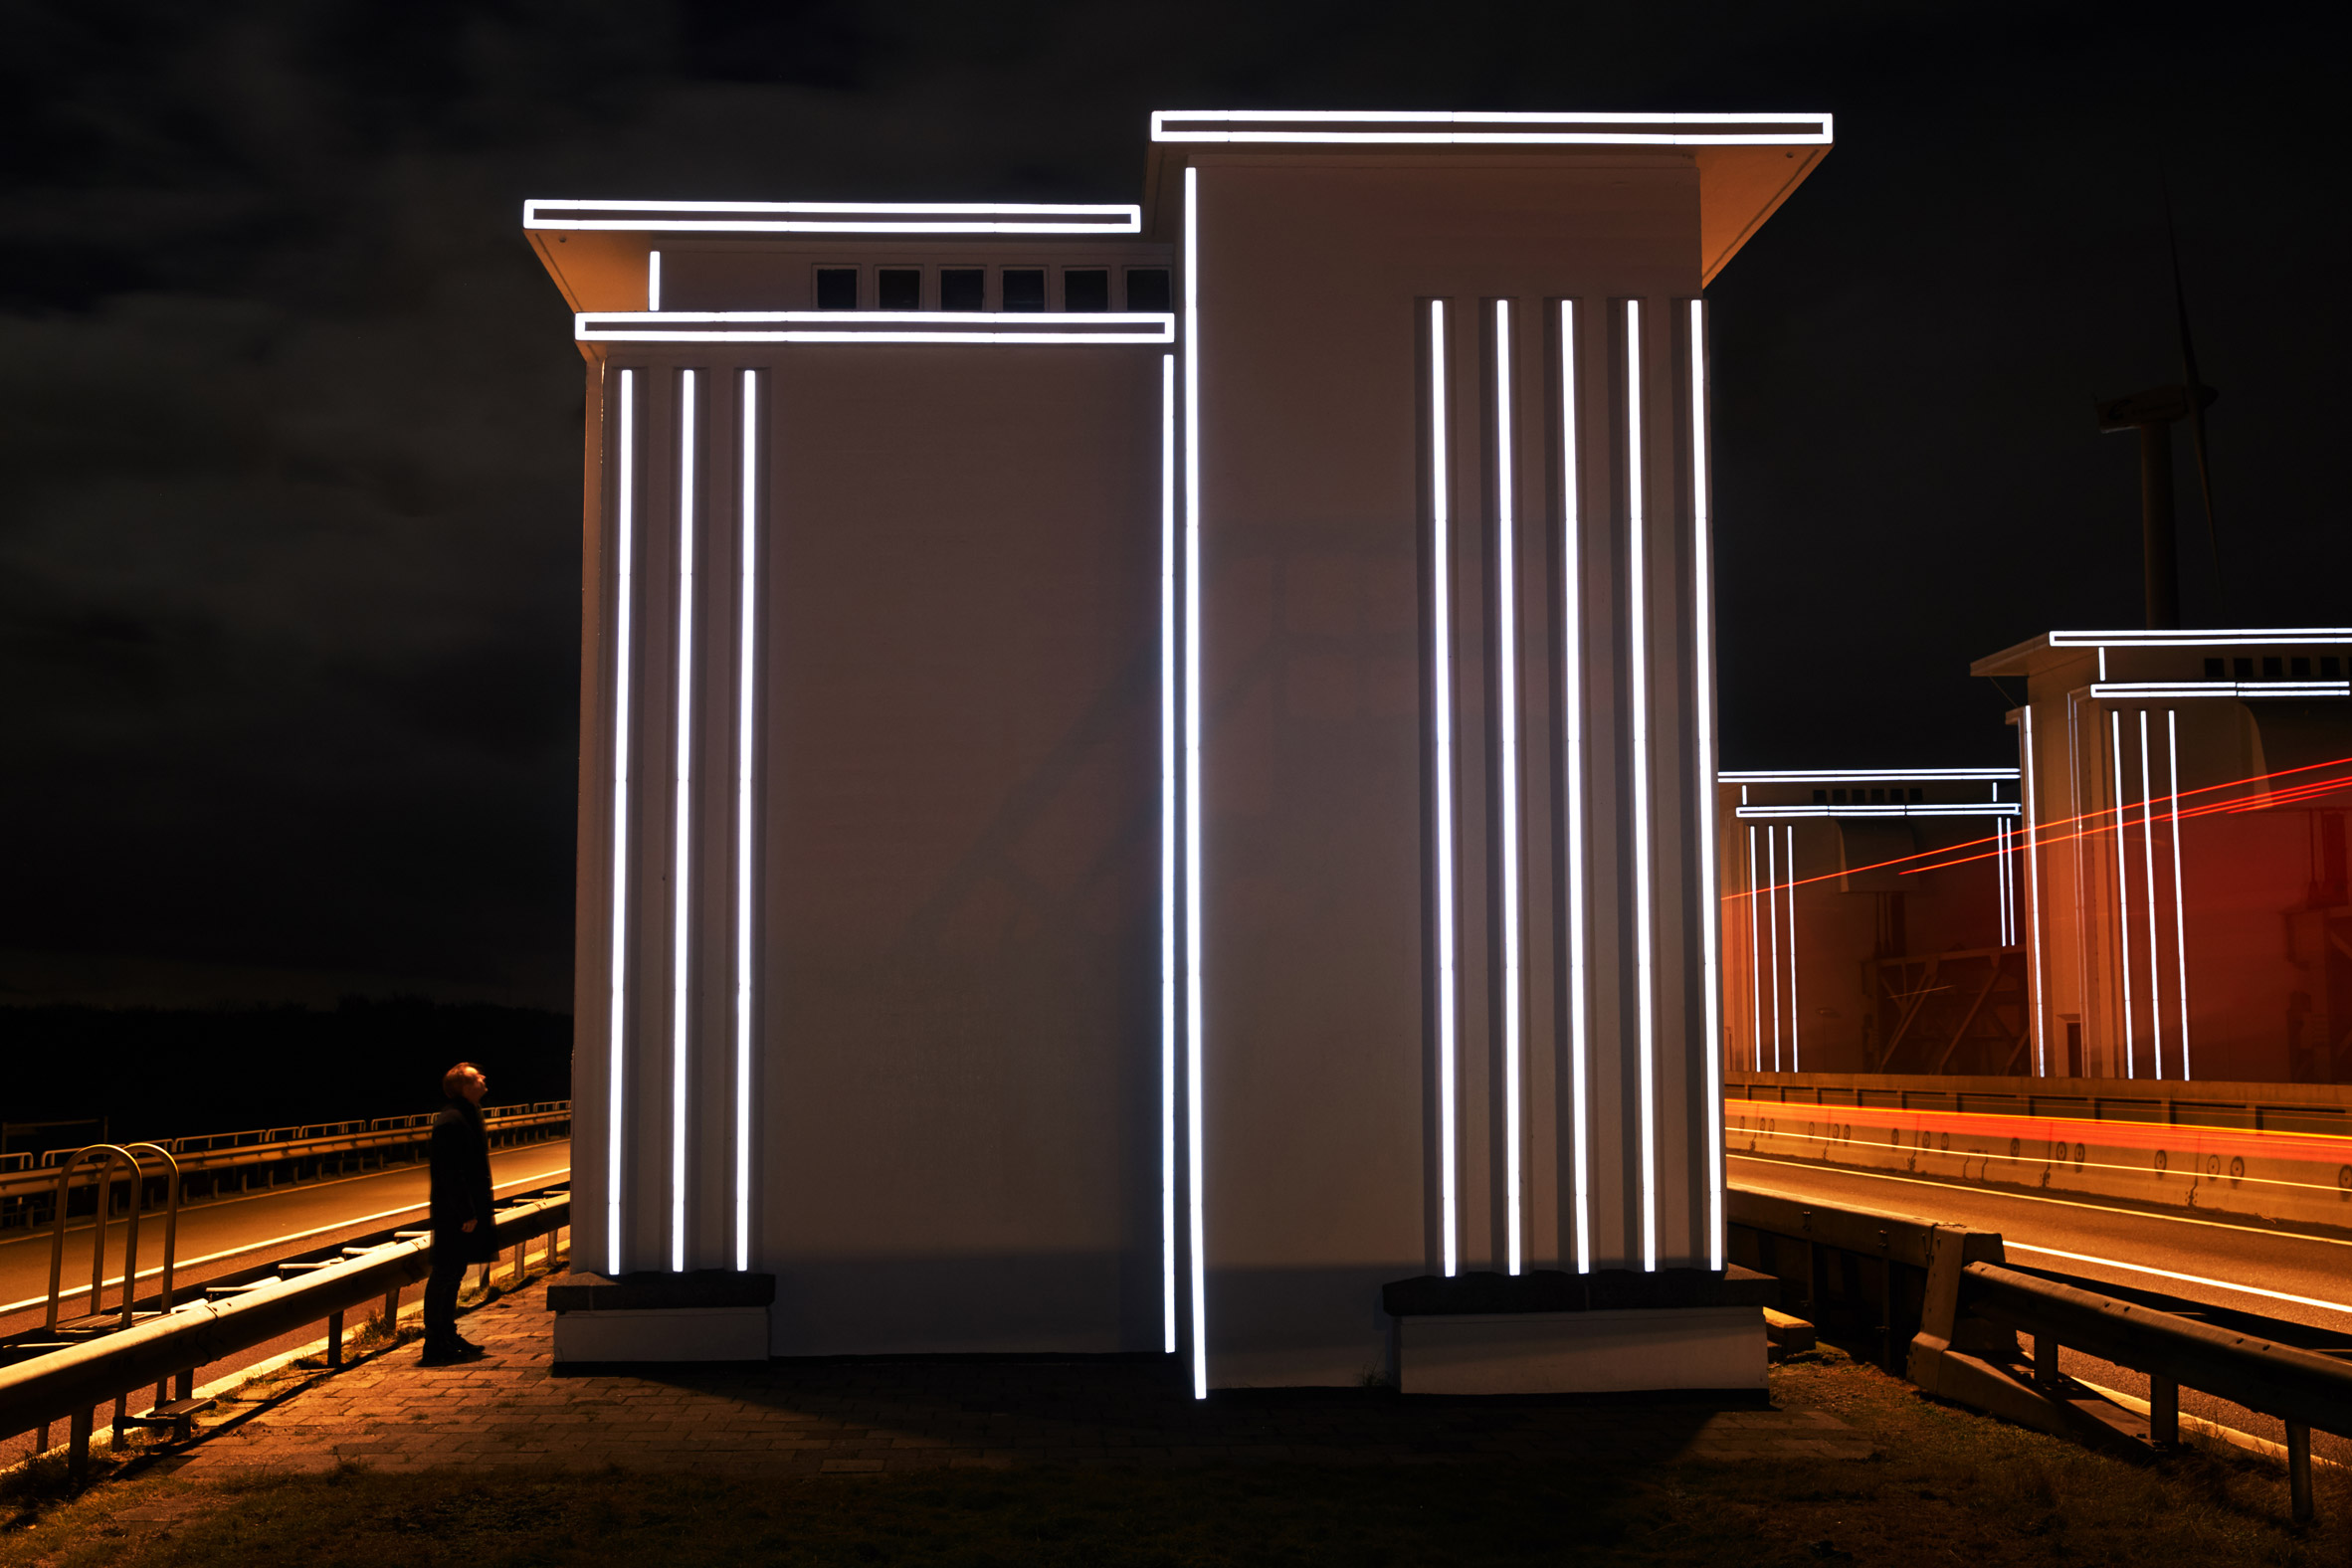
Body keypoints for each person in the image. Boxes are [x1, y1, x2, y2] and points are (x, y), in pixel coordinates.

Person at [423, 1062, 497, 1365]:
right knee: (445, 1273)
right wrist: (466, 1210)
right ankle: (435, 1341)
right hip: (456, 1213)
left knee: (453, 1273)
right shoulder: (452, 1121)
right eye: (477, 1077)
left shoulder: (465, 1114)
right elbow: (450, 1172)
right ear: (464, 1086)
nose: (484, 1078)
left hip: (463, 1210)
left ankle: (447, 1334)